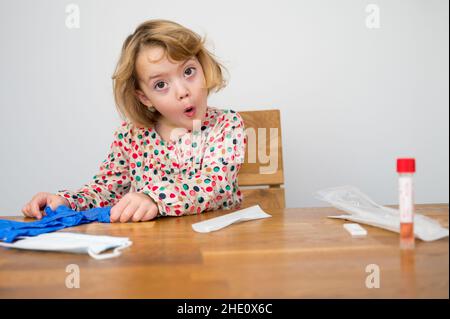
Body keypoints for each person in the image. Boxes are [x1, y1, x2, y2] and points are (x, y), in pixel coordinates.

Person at [22, 19, 247, 223]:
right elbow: (107, 190)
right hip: (151, 251)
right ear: (144, 97)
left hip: (216, 248)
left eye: (189, 71)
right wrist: (67, 201)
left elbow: (215, 185)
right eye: (161, 85)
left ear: (203, 67)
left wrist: (154, 198)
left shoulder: (226, 125)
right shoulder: (130, 136)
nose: (182, 91)